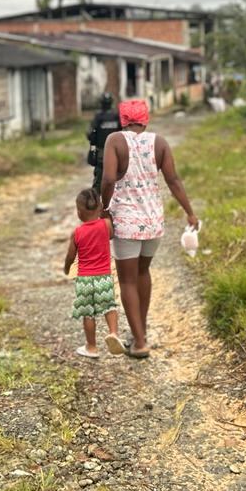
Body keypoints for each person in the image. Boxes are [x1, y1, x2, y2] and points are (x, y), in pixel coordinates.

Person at [101, 99, 198, 359]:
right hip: (153, 220)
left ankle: (140, 341)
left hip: (127, 221)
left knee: (127, 280)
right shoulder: (160, 142)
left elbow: (109, 178)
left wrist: (104, 208)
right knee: (143, 273)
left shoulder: (115, 141)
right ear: (145, 119)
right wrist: (189, 212)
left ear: (123, 119)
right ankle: (139, 332)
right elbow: (173, 180)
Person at [62, 188, 126, 358]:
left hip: (84, 279)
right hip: (103, 277)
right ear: (99, 208)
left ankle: (91, 347)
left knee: (88, 313)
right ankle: (113, 333)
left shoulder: (77, 233)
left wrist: (67, 268)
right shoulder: (105, 225)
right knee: (109, 306)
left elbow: (70, 256)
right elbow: (111, 235)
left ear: (78, 212)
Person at [85, 92, 120, 192]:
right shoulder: (116, 116)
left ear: (101, 103)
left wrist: (93, 146)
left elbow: (90, 134)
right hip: (116, 154)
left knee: (98, 183)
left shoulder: (98, 117)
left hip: (102, 154)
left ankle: (96, 203)